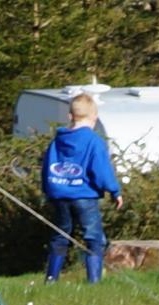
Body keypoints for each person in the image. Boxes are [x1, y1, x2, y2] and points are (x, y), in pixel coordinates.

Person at [42, 93, 123, 283]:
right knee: (93, 237)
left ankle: (51, 278)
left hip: (59, 194)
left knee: (61, 235)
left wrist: (48, 189)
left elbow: (47, 166)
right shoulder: (93, 141)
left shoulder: (57, 141)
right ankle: (94, 281)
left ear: (71, 116)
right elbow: (101, 170)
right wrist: (114, 190)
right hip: (84, 195)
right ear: (94, 117)